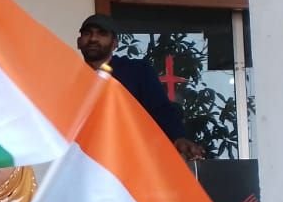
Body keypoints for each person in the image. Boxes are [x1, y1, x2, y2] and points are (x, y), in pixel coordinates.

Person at [77, 13, 203, 160]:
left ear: (115, 43)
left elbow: (161, 109)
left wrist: (178, 137)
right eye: (87, 33)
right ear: (79, 42)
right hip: (84, 160)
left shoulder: (136, 72)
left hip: (128, 160)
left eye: (102, 34)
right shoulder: (71, 78)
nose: (93, 38)